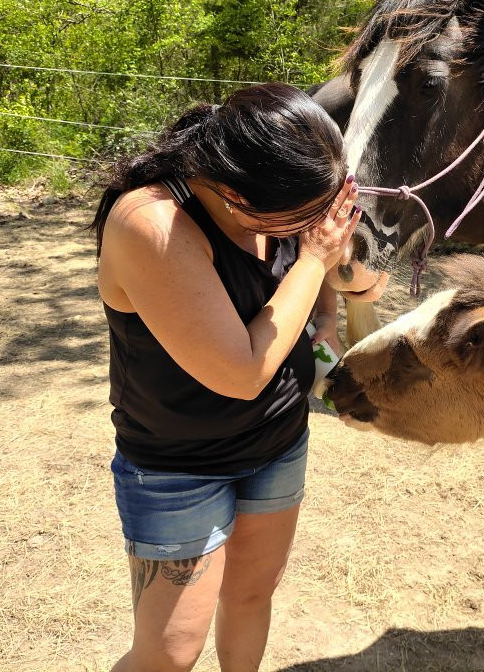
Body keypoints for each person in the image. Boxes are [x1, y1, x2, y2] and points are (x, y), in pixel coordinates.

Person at [91, 83, 360, 672]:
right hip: (177, 464)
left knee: (250, 595)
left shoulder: (284, 193)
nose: (318, 225)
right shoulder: (151, 224)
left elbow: (316, 280)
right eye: (306, 217)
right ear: (237, 195)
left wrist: (331, 311)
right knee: (168, 651)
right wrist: (317, 257)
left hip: (278, 444)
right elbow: (241, 372)